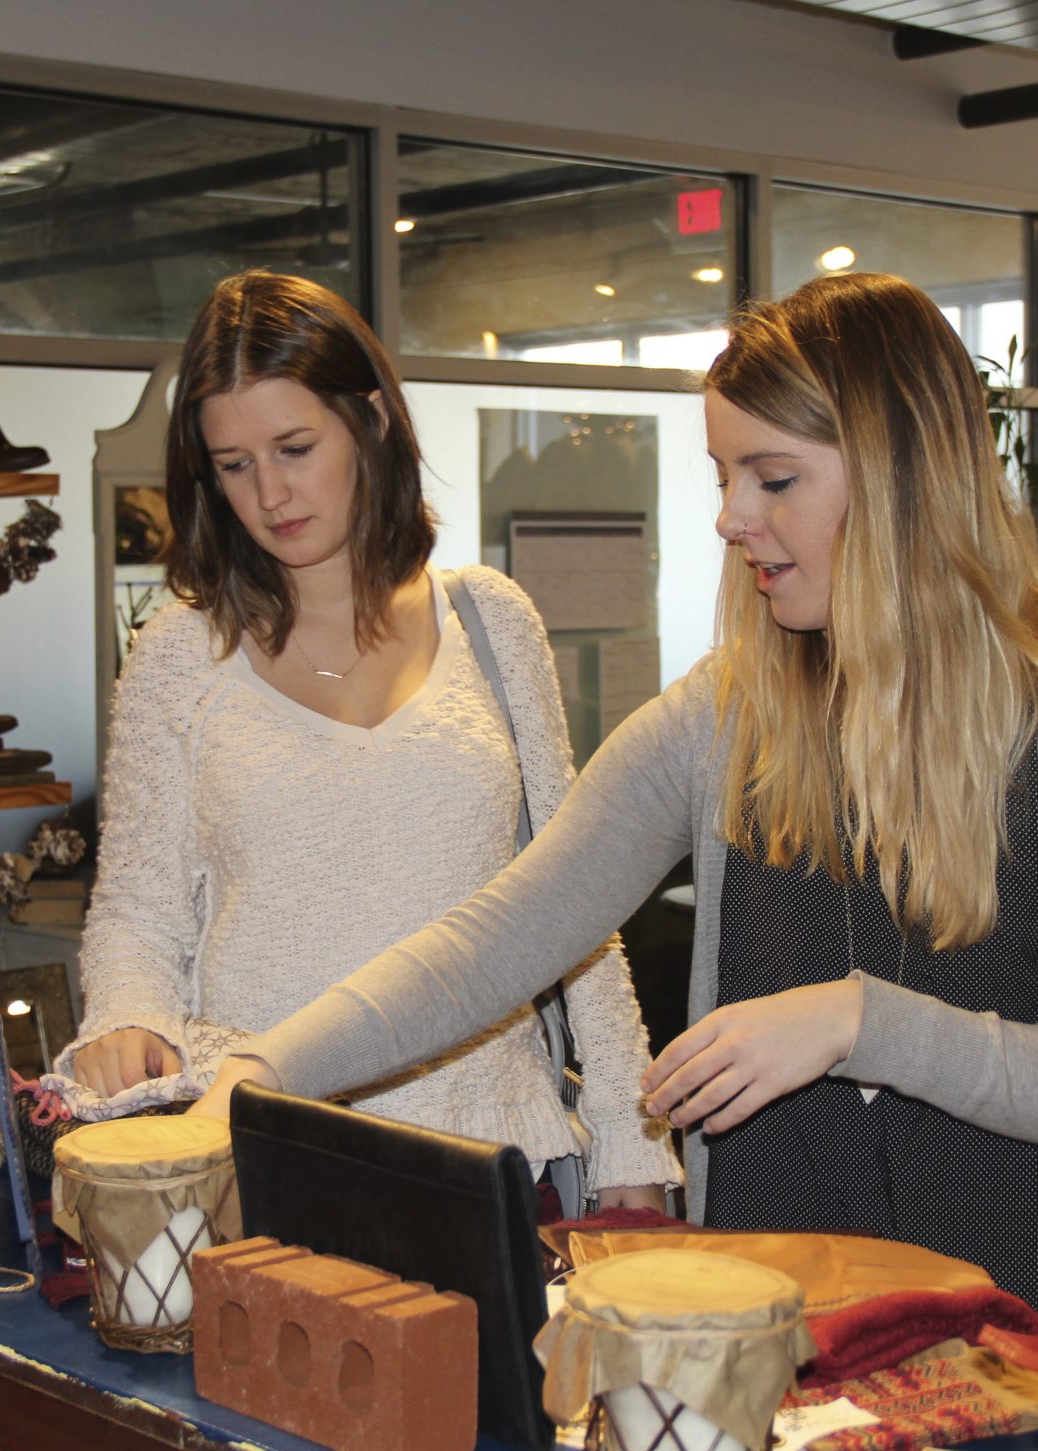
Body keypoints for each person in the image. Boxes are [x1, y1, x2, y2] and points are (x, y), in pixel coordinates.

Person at [197, 273, 1038, 1359]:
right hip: (770, 1349)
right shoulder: (722, 716)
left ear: (900, 474)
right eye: (726, 476)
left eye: (772, 478)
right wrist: (260, 1073)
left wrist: (856, 1023)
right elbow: (491, 943)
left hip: (1036, 1349)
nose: (731, 518)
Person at [60, 271, 678, 1212]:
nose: (269, 492)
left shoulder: (490, 623)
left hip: (492, 1149)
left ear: (372, 420)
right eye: (232, 464)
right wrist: (126, 1016)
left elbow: (574, 903)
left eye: (295, 447)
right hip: (265, 1148)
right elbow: (138, 911)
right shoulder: (182, 652)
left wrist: (634, 1145)